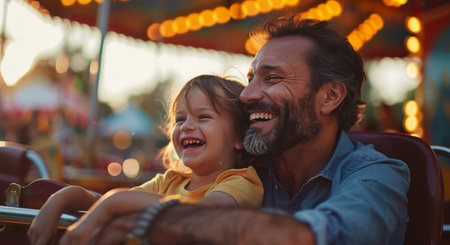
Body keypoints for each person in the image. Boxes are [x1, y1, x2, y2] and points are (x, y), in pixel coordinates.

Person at [90, 16, 411, 245]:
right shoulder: (242, 166)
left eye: (271, 79)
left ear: (329, 97)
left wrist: (155, 222)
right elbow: (171, 196)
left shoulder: (378, 174)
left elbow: (312, 236)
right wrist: (76, 202)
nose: (246, 95)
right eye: (251, 78)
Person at [27, 75, 263, 245]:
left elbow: (204, 213)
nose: (188, 126)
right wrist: (62, 197)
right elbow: (102, 203)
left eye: (203, 117)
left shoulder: (241, 182)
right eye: (180, 119)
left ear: (239, 137)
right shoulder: (170, 182)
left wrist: (114, 202)